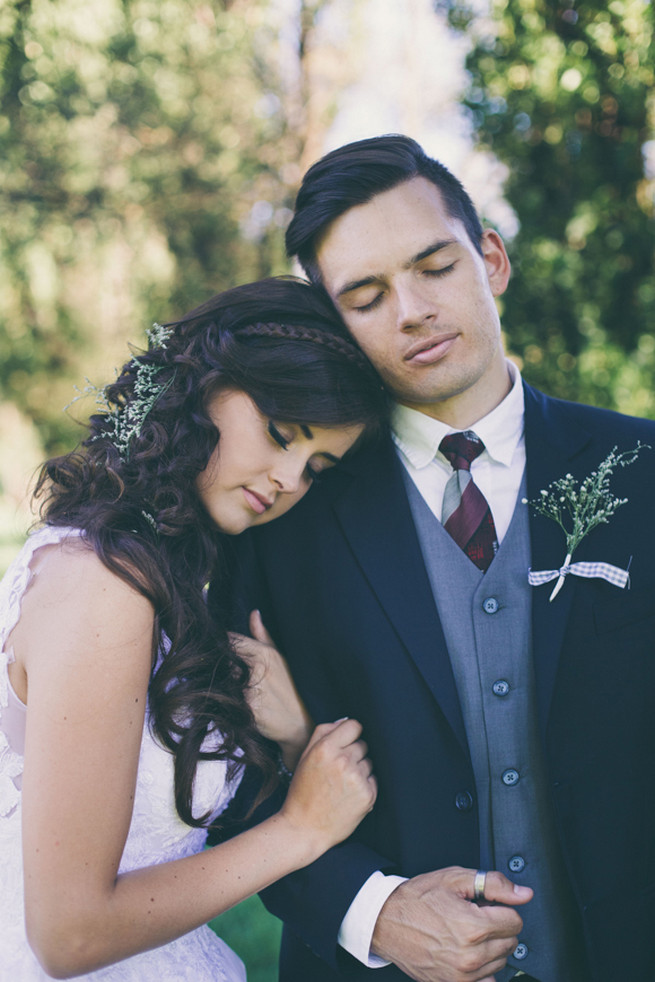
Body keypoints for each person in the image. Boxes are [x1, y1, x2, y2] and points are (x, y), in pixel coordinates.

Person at [227, 136, 655, 982]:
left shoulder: (642, 469)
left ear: (489, 259)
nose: (412, 310)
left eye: (433, 267)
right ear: (335, 327)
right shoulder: (282, 509)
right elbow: (222, 772)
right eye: (366, 294)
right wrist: (371, 912)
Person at [0, 276, 386, 981]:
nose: (288, 481)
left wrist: (296, 733)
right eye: (279, 434)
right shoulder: (103, 588)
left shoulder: (144, 567)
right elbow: (69, 934)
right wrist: (298, 830)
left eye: (316, 467)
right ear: (203, 385)